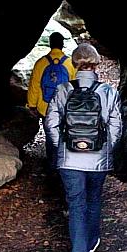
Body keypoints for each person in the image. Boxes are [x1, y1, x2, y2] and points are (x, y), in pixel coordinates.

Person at [44, 43, 122, 252]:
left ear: (75, 64)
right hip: (97, 159)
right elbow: (116, 126)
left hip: (70, 160)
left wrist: (63, 147)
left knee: (76, 204)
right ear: (96, 63)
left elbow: (50, 123)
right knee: (94, 199)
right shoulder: (108, 92)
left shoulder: (63, 89)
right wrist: (105, 148)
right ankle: (91, 241)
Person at [26, 32, 76, 173]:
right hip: (64, 107)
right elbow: (75, 85)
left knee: (50, 136)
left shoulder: (41, 63)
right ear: (62, 44)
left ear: (50, 44)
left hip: (46, 107)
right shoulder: (70, 63)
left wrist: (32, 105)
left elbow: (35, 85)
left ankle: (52, 165)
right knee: (64, 133)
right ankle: (64, 162)